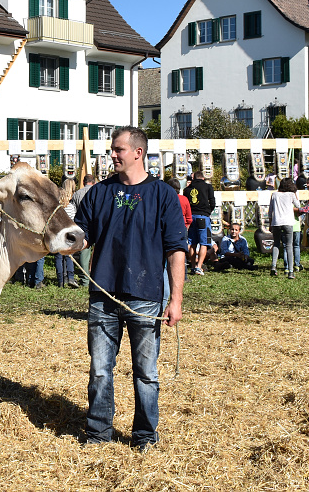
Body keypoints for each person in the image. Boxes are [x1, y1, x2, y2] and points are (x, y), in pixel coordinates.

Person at [74, 126, 186, 450]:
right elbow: (82, 236)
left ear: (138, 152)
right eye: (112, 149)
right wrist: (65, 242)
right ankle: (98, 435)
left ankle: (145, 438)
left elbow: (176, 249)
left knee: (146, 374)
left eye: (118, 149)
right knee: (99, 371)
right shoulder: (98, 193)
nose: (112, 154)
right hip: (103, 295)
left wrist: (175, 299)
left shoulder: (163, 195)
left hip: (146, 298)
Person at [184, 171, 215, 275]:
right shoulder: (207, 187)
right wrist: (207, 211)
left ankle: (192, 266)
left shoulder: (187, 189)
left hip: (191, 217)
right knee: (204, 242)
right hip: (203, 216)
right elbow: (212, 202)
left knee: (192, 243)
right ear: (202, 177)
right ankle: (199, 266)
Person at [269, 178, 299, 278]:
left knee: (276, 244)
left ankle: (273, 266)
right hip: (288, 222)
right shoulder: (291, 195)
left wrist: (270, 224)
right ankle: (290, 271)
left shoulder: (274, 195)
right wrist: (295, 194)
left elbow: (270, 211)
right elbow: (298, 205)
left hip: (276, 222)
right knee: (289, 246)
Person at [72, 174, 96, 286]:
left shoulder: (77, 194)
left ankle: (85, 279)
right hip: (97, 223)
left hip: (83, 225)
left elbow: (74, 210)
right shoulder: (98, 191)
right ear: (94, 182)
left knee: (84, 253)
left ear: (83, 182)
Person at [55, 179, 78, 288]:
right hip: (69, 234)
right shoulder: (71, 207)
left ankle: (60, 279)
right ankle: (71, 277)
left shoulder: (56, 208)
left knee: (59, 257)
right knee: (69, 256)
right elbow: (74, 220)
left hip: (59, 234)